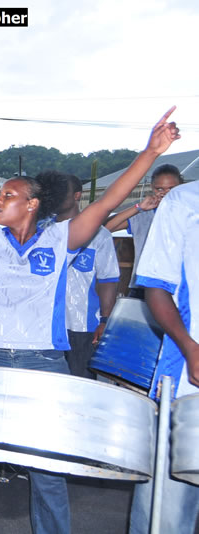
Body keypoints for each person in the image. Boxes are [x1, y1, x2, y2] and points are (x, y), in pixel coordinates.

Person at [0, 101, 179, 534]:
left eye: (7, 196)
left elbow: (109, 199)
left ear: (32, 204)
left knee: (46, 466)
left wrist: (150, 152)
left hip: (43, 360)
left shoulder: (61, 238)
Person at [128, 178, 199, 533]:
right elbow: (156, 288)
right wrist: (189, 346)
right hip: (188, 383)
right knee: (167, 517)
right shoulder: (185, 201)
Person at [51, 172, 119, 379]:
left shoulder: (100, 235)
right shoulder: (41, 230)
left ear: (77, 195)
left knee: (79, 385)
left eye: (62, 191)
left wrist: (105, 320)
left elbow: (108, 279)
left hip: (82, 326)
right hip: (44, 325)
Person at [104, 164, 183, 298]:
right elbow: (105, 228)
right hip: (143, 286)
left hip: (180, 286)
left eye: (171, 188)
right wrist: (138, 207)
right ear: (152, 188)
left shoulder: (191, 213)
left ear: (181, 187)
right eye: (160, 189)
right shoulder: (142, 214)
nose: (166, 193)